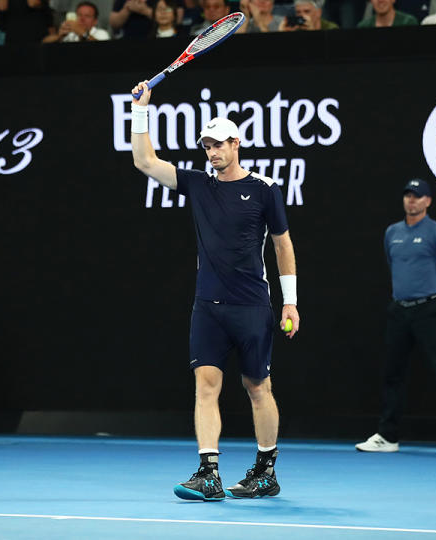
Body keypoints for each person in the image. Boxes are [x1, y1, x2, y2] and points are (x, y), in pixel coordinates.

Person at [129, 81, 300, 501]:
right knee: (205, 385)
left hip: (252, 306)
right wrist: (140, 111)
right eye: (207, 145)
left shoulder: (265, 190)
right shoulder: (199, 184)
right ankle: (209, 473)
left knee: (258, 387)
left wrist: (290, 300)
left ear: (235, 143)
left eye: (219, 144)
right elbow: (145, 162)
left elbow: (283, 245)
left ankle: (265, 471)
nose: (212, 152)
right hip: (207, 306)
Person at [356, 179, 436, 457]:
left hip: (430, 308)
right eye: (408, 196)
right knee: (392, 373)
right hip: (400, 310)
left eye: (418, 196)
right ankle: (388, 436)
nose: (411, 201)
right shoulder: (392, 233)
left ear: (428, 201)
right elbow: (394, 267)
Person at [43, 1, 112, 42]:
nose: (82, 19)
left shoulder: (101, 33)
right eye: (79, 15)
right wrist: (59, 37)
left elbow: (102, 49)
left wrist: (83, 33)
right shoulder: (70, 34)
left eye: (87, 16)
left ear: (95, 21)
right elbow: (44, 43)